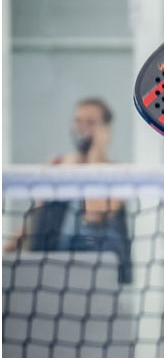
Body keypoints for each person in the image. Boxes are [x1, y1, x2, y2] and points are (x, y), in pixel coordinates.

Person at [3, 98, 132, 283]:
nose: (83, 128)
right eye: (78, 121)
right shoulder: (58, 166)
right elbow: (35, 216)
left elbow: (94, 214)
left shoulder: (116, 172)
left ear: (105, 130)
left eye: (91, 122)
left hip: (95, 274)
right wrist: (6, 251)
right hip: (49, 270)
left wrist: (92, 160)